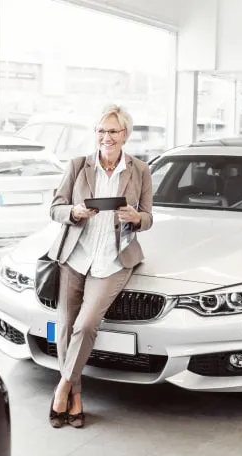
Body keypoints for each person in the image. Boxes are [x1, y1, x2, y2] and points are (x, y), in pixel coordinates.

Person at [46, 104, 154, 428]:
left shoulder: (140, 171)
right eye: (101, 131)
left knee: (86, 324)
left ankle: (62, 387)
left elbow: (148, 216)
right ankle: (76, 399)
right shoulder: (78, 166)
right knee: (65, 325)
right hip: (75, 256)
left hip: (113, 259)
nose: (106, 137)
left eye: (113, 131)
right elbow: (55, 208)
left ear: (125, 135)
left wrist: (137, 218)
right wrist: (74, 213)